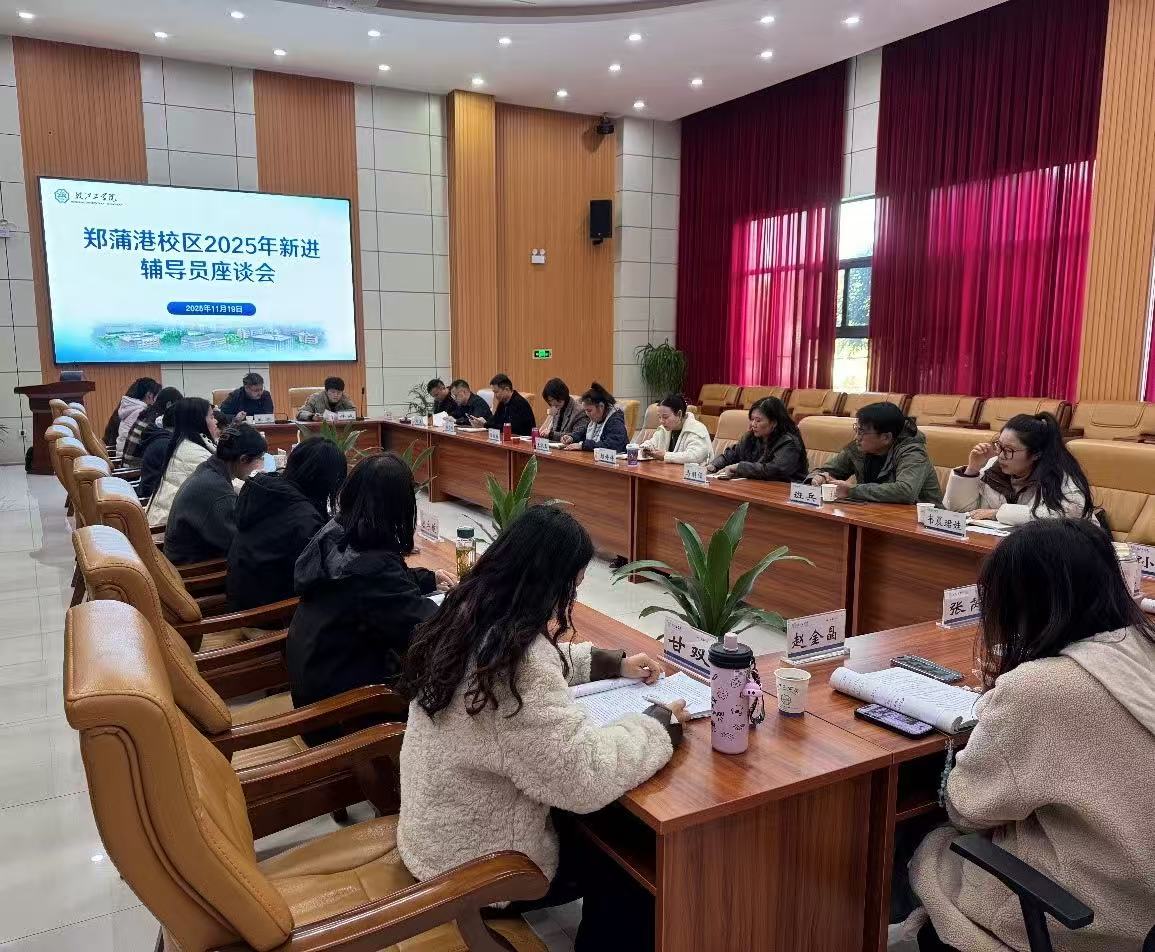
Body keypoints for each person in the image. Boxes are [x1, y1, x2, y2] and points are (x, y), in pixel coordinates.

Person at [398, 506, 685, 950]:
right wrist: (658, 725)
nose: (573, 595)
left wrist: (609, 663)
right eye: (574, 583)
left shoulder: (468, 614)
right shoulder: (519, 665)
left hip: (435, 837)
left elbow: (536, 663)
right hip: (482, 871)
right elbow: (582, 777)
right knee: (632, 865)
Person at [901, 520, 1155, 952]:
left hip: (1085, 919)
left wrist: (998, 708)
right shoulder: (1144, 648)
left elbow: (968, 809)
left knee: (928, 844)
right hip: (1143, 910)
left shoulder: (1040, 688)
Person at [286, 453, 456, 741]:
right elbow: (423, 626)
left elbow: (379, 589)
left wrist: (429, 579)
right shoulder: (371, 568)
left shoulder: (337, 531)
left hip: (317, 676)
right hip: (342, 713)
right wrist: (469, 604)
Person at [227, 437, 348, 609]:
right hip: (270, 614)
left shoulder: (263, 490)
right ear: (326, 481)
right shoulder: (304, 519)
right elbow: (319, 575)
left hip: (241, 599)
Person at [943, 412, 1093, 525]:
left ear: (1036, 454)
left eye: (1009, 450)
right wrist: (972, 470)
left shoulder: (1060, 477)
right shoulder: (993, 467)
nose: (1000, 455)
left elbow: (1065, 516)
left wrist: (997, 513)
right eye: (999, 445)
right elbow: (959, 511)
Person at [162, 424, 267, 565]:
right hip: (194, 569)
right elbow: (241, 544)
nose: (259, 465)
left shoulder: (209, 470)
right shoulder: (217, 490)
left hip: (185, 558)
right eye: (259, 459)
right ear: (243, 459)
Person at [808, 402, 942, 504]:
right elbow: (828, 470)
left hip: (924, 523)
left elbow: (905, 491)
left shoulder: (912, 452)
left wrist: (852, 490)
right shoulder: (859, 448)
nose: (857, 437)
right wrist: (819, 477)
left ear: (886, 437)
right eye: (857, 430)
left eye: (862, 432)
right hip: (876, 515)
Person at [147, 397, 218, 527]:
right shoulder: (194, 453)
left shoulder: (184, 444)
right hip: (164, 531)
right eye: (212, 417)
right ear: (199, 421)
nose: (216, 421)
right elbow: (226, 486)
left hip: (168, 523)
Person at [706, 396, 807, 480]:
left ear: (774, 422)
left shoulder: (789, 442)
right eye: (752, 419)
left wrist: (739, 467)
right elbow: (731, 455)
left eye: (758, 420)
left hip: (784, 490)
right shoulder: (750, 437)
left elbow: (775, 470)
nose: (753, 424)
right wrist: (714, 466)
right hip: (755, 486)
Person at [121, 386, 182, 467]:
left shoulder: (147, 414)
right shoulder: (158, 421)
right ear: (169, 404)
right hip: (136, 470)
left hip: (128, 467)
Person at [562, 383, 628, 453]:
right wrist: (572, 437)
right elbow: (583, 433)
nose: (587, 414)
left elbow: (612, 445)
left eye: (589, 410)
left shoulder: (615, 421)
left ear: (601, 406)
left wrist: (583, 446)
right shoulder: (595, 419)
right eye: (585, 410)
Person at [104, 377, 161, 455]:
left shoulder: (126, 409)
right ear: (149, 395)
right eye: (157, 396)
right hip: (127, 458)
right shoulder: (141, 412)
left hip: (117, 455)